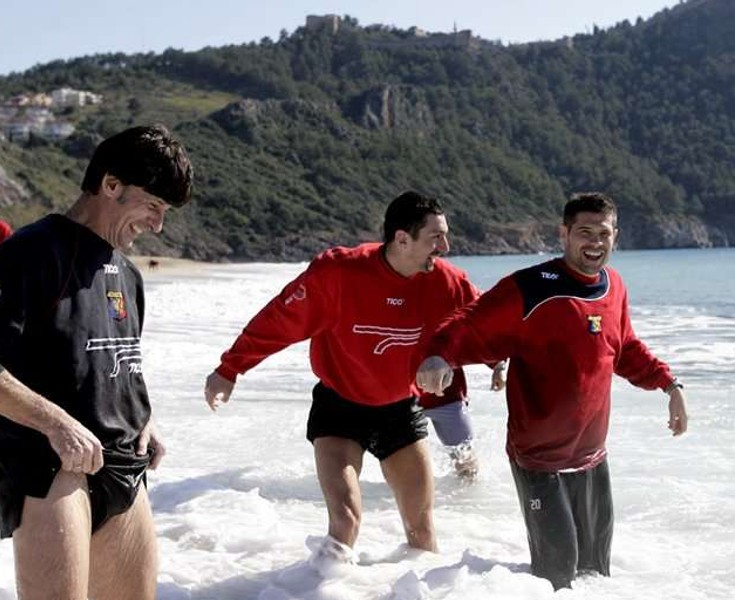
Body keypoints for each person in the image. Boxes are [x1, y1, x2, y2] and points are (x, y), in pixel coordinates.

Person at [0, 125, 193, 600]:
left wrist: (144, 420)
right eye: (153, 206)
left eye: (164, 213)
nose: (157, 225)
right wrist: (54, 423)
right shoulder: (34, 252)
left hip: (124, 466)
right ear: (111, 185)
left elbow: (116, 361)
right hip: (51, 469)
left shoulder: (127, 274)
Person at [415, 192, 689, 590]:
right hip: (539, 461)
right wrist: (440, 355)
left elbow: (625, 347)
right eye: (584, 232)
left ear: (616, 236)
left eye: (604, 233)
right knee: (556, 578)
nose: (594, 242)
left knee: (596, 576)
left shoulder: (614, 286)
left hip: (592, 459)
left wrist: (669, 384)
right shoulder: (532, 287)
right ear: (564, 233)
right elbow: (470, 321)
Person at [203, 191, 480, 568]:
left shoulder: (447, 282)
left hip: (400, 411)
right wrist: (229, 368)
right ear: (402, 238)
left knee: (421, 531)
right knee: (345, 520)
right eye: (435, 237)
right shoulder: (339, 273)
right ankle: (313, 590)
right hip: (340, 410)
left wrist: (486, 361)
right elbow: (279, 322)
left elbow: (482, 324)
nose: (445, 247)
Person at [419, 361, 507, 481]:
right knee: (402, 462)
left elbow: (469, 342)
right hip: (401, 399)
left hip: (447, 396)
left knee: (465, 460)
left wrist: (498, 365)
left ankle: (469, 497)